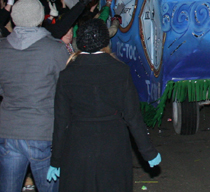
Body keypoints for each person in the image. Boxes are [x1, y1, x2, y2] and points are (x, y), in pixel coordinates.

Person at [48, 19, 160, 191]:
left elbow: (61, 121)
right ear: (105, 41)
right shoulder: (120, 70)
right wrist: (148, 151)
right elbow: (133, 116)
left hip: (79, 145)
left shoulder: (67, 74)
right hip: (113, 144)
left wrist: (56, 159)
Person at [0, 0, 70, 192]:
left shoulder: (1, 48)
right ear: (41, 18)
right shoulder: (55, 49)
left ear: (14, 18)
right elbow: (67, 89)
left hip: (9, 131)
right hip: (43, 131)